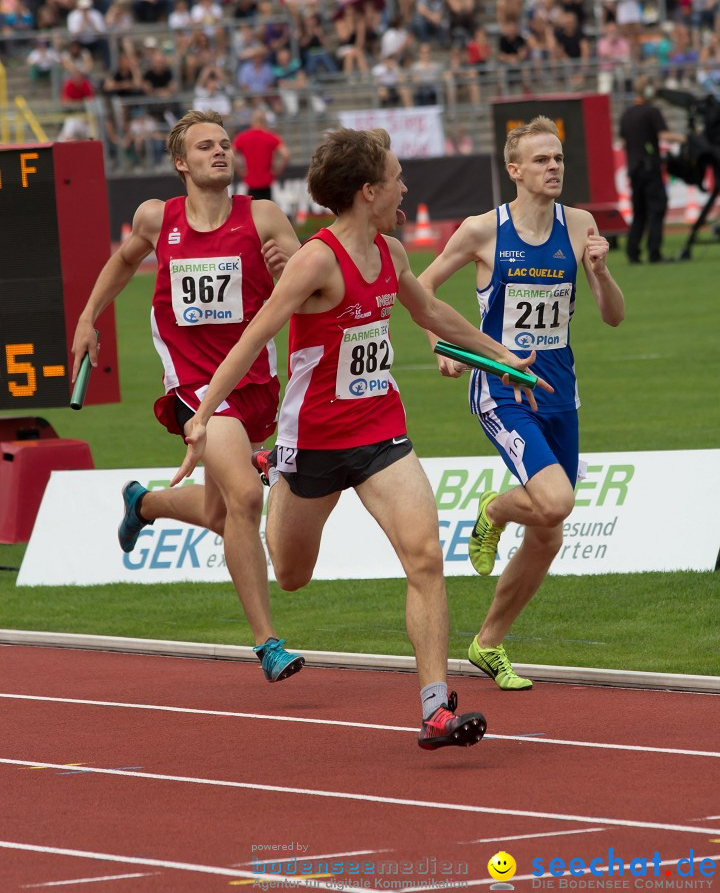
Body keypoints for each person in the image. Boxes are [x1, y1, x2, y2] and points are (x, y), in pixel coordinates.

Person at [171, 127, 549, 749]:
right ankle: (272, 468)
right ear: (369, 190)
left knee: (425, 557)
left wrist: (504, 359)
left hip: (381, 433)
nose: (406, 186)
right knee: (292, 574)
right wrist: (203, 415)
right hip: (311, 444)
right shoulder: (317, 261)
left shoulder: (394, 254)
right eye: (398, 177)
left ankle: (435, 708)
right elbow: (255, 335)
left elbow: (433, 313)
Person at [70, 110, 305, 684]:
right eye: (205, 147)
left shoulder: (265, 215)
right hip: (195, 388)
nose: (220, 153)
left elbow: (311, 291)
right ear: (181, 162)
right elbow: (123, 263)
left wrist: (284, 269)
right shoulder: (157, 218)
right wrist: (87, 319)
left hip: (255, 385)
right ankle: (267, 642)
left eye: (225, 145)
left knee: (222, 510)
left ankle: (143, 504)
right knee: (247, 498)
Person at [418, 116, 625, 691]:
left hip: (560, 387)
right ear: (514, 170)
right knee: (554, 501)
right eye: (540, 160)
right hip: (502, 389)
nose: (553, 167)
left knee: (550, 532)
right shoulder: (482, 230)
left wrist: (602, 274)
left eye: (557, 158)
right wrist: (441, 346)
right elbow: (421, 289)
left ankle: (487, 643)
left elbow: (613, 315)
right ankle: (493, 509)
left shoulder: (580, 224)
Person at [619, 77, 685, 264]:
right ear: (648, 92)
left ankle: (633, 252)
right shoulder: (652, 112)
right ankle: (654, 252)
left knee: (639, 212)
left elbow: (624, 143)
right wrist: (685, 139)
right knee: (657, 208)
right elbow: (664, 135)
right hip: (650, 169)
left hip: (634, 169)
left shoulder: (626, 114)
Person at [233, 108, 289, 201]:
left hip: (250, 182)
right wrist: (278, 170)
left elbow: (231, 154)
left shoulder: (242, 137)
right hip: (266, 182)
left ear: (252, 121)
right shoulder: (271, 136)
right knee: (266, 211)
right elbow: (286, 155)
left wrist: (239, 170)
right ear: (265, 121)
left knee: (252, 211)